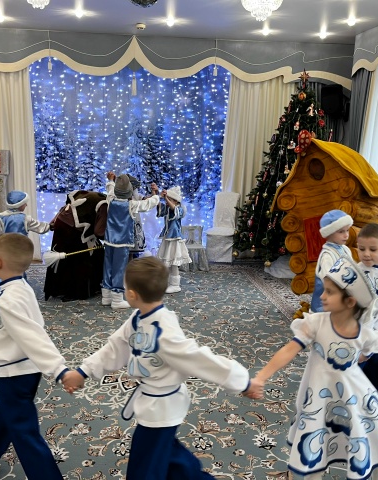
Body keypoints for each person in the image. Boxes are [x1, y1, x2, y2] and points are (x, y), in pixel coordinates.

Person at [63, 256, 261, 480]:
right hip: (151, 403)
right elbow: (115, 347)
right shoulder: (138, 318)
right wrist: (83, 371)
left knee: (145, 465)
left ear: (131, 295)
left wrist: (242, 382)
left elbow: (199, 359)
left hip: (162, 407)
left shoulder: (164, 332)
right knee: (169, 457)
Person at [251, 256, 378, 480]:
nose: (322, 296)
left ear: (350, 301)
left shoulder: (364, 332)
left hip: (353, 396)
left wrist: (358, 358)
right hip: (320, 397)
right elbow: (289, 350)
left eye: (329, 292)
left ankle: (376, 474)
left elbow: (369, 351)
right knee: (317, 440)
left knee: (367, 436)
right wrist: (261, 376)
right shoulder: (316, 323)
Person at [0, 233, 69, 480]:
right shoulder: (19, 288)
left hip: (15, 374)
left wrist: (59, 369)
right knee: (4, 420)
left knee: (24, 433)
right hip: (23, 371)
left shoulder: (10, 299)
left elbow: (33, 336)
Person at [101, 172, 159, 309]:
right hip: (122, 242)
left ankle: (106, 296)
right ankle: (116, 299)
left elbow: (110, 190)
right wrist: (156, 195)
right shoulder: (131, 205)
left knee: (108, 266)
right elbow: (148, 204)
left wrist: (111, 180)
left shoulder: (111, 200)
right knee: (119, 269)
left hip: (109, 241)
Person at [356, 223, 378, 398]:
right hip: (359, 330)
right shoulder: (365, 267)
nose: (366, 254)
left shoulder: (376, 280)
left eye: (372, 249)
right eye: (361, 249)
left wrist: (366, 350)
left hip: (365, 336)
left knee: (358, 382)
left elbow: (370, 315)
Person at [310, 209, 353, 312]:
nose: (346, 235)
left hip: (340, 296)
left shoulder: (346, 250)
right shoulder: (327, 255)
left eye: (347, 230)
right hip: (325, 304)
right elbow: (329, 281)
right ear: (329, 233)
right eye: (341, 231)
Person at [155, 185, 192, 293]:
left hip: (175, 238)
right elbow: (160, 208)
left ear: (176, 201)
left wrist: (166, 197)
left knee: (174, 261)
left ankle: (175, 284)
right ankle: (167, 282)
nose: (167, 202)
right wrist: (156, 194)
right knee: (167, 261)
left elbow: (175, 210)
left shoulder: (179, 209)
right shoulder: (168, 209)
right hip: (168, 237)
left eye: (170, 200)